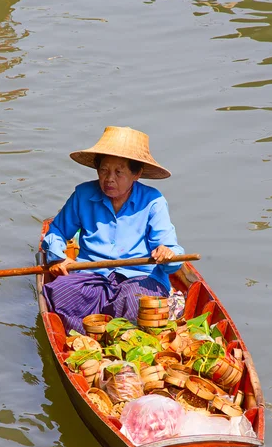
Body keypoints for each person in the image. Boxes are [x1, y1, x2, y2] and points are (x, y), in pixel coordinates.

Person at [41, 125, 184, 333]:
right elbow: (57, 231)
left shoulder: (153, 201)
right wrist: (57, 258)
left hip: (139, 277)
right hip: (91, 273)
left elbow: (173, 253)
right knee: (58, 292)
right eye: (104, 171)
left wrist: (167, 254)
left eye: (119, 172)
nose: (109, 179)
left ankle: (116, 340)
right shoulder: (83, 195)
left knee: (136, 303)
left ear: (137, 174)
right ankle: (86, 339)